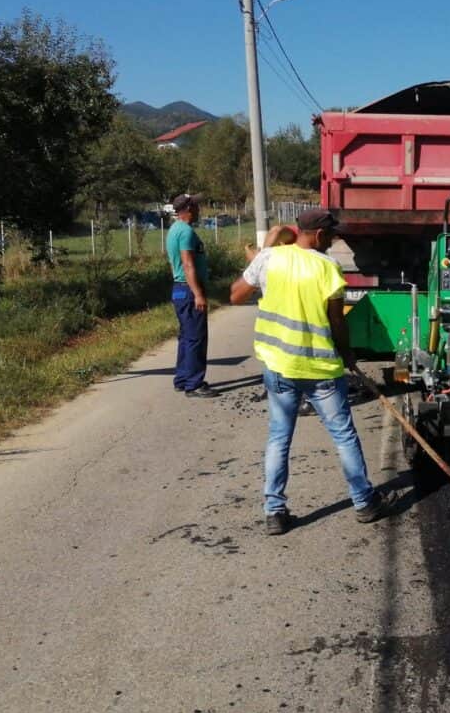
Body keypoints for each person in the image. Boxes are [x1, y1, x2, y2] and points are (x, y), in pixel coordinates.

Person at [230, 209, 393, 535]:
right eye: (332, 234)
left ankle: (274, 511)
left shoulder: (269, 260)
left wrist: (259, 262)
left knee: (279, 437)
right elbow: (336, 322)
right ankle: (363, 502)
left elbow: (235, 295)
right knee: (343, 435)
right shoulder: (328, 268)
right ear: (319, 234)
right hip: (321, 370)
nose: (334, 239)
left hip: (279, 367)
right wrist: (348, 354)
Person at [167, 193, 218, 398]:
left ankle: (182, 379)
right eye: (196, 206)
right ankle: (194, 384)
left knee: (186, 337)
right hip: (189, 290)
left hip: (179, 289)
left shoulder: (174, 230)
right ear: (188, 209)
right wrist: (198, 294)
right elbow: (187, 264)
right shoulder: (186, 232)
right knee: (196, 338)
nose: (199, 209)